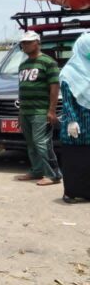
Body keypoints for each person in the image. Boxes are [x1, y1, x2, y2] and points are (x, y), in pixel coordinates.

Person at [14, 30, 63, 186]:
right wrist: (20, 112)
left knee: (42, 143)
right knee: (31, 143)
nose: (25, 45)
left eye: (28, 42)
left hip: (40, 111)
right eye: (23, 43)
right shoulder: (23, 64)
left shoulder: (48, 62)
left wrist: (51, 110)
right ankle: (37, 170)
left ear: (37, 43)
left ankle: (54, 174)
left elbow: (54, 87)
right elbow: (22, 89)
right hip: (26, 111)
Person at [58, 32, 90, 203]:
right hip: (76, 124)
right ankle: (70, 192)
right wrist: (71, 120)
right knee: (74, 160)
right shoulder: (69, 72)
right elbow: (67, 100)